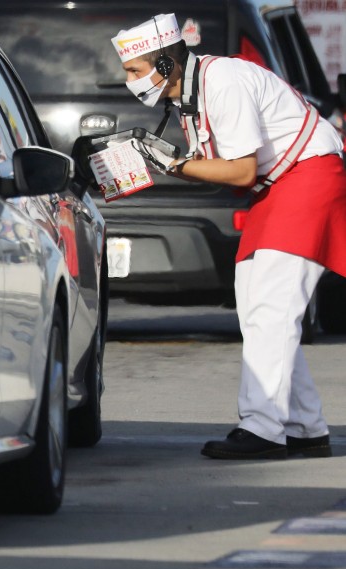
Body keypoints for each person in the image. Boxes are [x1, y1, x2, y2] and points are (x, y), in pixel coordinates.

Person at [110, 13, 346, 460]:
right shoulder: (191, 94)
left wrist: (174, 165)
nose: (130, 82)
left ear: (165, 66)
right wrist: (167, 161)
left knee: (272, 310)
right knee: (257, 306)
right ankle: (304, 426)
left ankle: (263, 428)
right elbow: (230, 172)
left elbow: (239, 171)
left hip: (306, 179)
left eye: (135, 71)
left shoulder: (225, 81)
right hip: (279, 187)